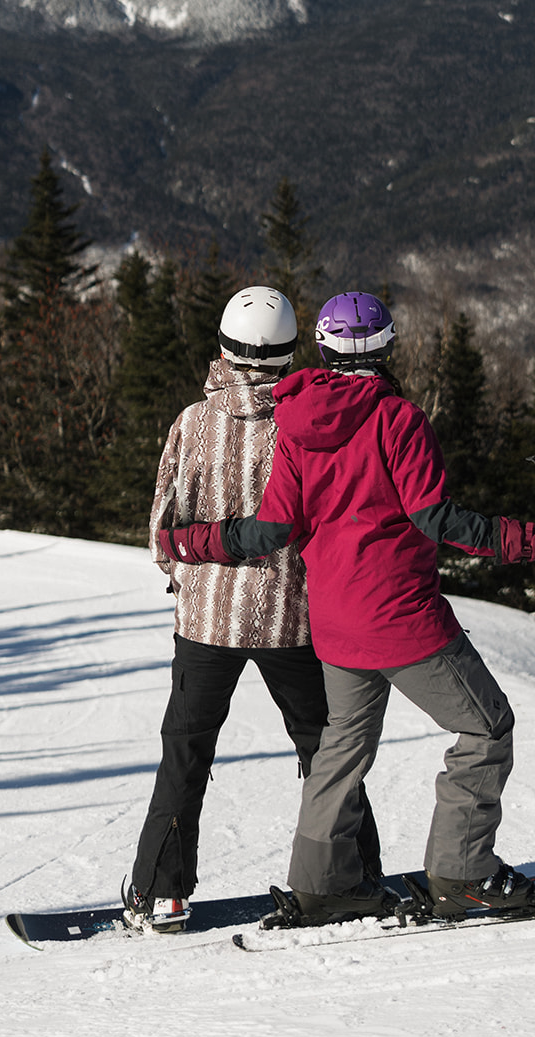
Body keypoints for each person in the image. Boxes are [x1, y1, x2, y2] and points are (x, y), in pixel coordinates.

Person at [164, 290, 535, 926]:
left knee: (341, 748)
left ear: (324, 350)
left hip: (333, 623)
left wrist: (193, 540)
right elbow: (434, 517)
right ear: (386, 350)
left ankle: (322, 885)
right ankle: (463, 873)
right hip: (402, 620)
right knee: (486, 728)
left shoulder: (296, 423)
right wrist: (530, 539)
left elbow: (271, 529)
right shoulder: (397, 419)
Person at [124, 284, 381, 931]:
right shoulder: (307, 420)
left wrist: (183, 578)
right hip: (292, 616)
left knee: (186, 751)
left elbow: (164, 526)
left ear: (222, 347)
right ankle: (351, 875)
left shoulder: (192, 423)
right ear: (293, 353)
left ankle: (163, 892)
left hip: (206, 619)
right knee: (324, 749)